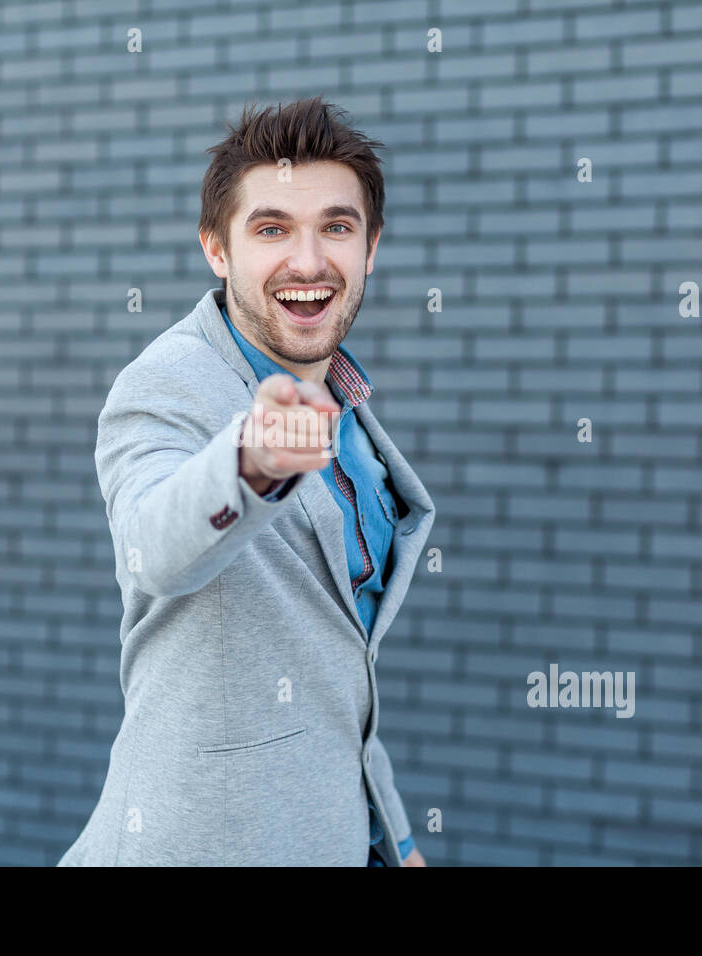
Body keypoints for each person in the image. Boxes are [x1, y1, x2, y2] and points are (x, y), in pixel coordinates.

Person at [57, 96, 434, 866]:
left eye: (336, 226)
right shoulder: (165, 385)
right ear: (216, 250)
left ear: (372, 248)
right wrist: (253, 462)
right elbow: (152, 547)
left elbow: (337, 664)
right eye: (271, 230)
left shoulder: (348, 405)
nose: (307, 261)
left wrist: (392, 836)